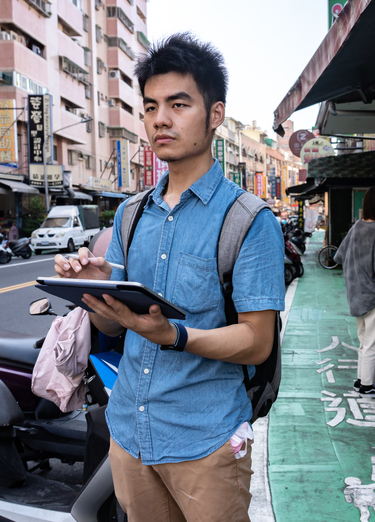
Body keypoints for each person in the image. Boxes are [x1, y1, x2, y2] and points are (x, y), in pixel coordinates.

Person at [52, 33, 284, 521]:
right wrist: (96, 292)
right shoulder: (131, 214)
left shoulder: (249, 219)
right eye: (151, 105)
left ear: (215, 115)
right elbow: (116, 328)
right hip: (130, 432)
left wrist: (174, 335)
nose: (161, 119)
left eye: (179, 104)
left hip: (206, 441)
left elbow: (258, 340)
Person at [333, 187, 375, 398]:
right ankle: (367, 385)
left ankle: (362, 380)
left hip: (356, 294)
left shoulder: (356, 227)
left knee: (365, 340)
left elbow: (339, 256)